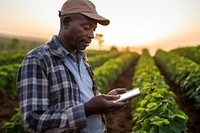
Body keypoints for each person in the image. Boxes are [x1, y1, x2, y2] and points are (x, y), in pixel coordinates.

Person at [17, 0, 127, 132]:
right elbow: (34, 122)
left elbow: (81, 99)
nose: (92, 35)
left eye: (94, 29)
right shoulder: (38, 60)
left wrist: (106, 99)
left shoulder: (82, 58)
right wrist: (86, 109)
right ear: (66, 23)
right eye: (86, 28)